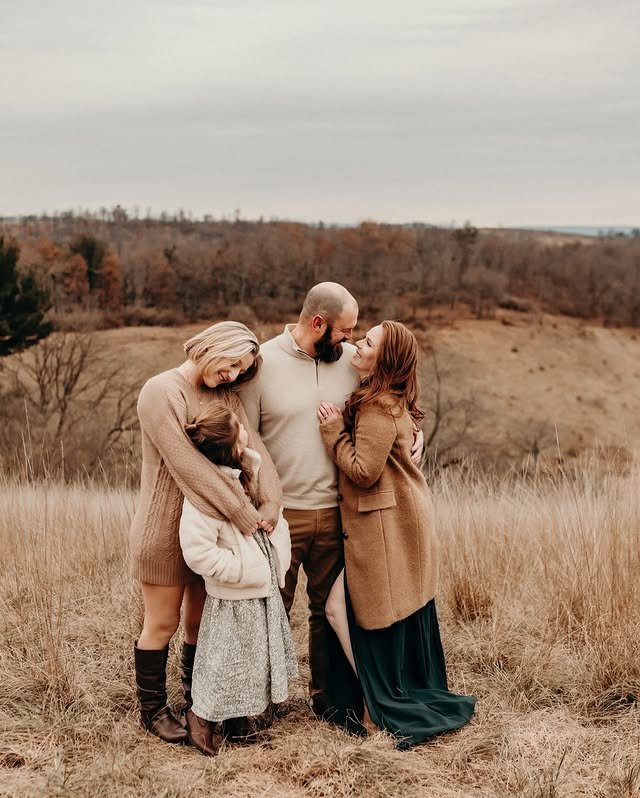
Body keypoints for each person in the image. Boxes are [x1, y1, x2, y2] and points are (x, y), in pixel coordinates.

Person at [239, 283, 423, 717]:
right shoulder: (263, 364)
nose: (351, 340)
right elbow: (243, 435)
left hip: (342, 514)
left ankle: (330, 701)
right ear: (317, 323)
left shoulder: (351, 365)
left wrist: (416, 433)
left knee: (329, 611)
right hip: (278, 515)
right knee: (271, 608)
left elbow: (391, 399)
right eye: (344, 330)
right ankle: (262, 702)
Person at [317, 320, 476, 748]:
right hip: (402, 515)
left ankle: (377, 704)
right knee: (348, 610)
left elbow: (365, 472)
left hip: (385, 524)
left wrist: (333, 432)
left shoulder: (376, 406)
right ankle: (377, 697)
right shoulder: (390, 401)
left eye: (368, 343)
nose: (358, 345)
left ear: (382, 360)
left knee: (337, 609)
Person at [129, 321, 281, 744]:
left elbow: (256, 451)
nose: (233, 375)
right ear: (213, 347)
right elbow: (188, 467)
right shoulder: (160, 392)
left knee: (201, 625)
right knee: (162, 624)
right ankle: (154, 711)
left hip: (214, 534)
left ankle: (204, 707)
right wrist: (241, 512)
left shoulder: (226, 396)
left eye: (241, 370)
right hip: (163, 530)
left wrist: (270, 502)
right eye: (231, 363)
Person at [178, 405, 297, 756]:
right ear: (231, 446)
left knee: (252, 660)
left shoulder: (245, 472)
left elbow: (262, 515)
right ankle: (200, 718)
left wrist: (272, 527)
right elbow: (198, 551)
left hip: (259, 592)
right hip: (234, 596)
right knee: (224, 662)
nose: (247, 430)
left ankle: (239, 721)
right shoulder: (208, 494)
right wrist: (242, 570)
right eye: (240, 429)